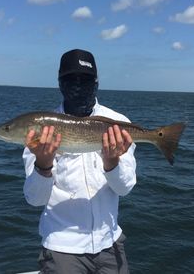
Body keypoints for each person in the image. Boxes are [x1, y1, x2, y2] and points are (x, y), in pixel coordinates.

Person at [23, 49, 137, 274]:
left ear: (96, 82)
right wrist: (43, 164)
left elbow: (124, 188)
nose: (77, 85)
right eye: (70, 80)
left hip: (110, 243)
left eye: (84, 80)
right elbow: (35, 200)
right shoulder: (41, 130)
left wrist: (111, 162)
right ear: (59, 82)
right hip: (61, 248)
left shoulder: (119, 124)